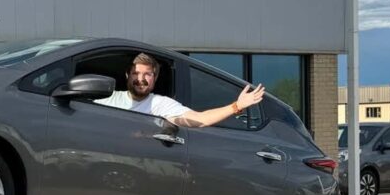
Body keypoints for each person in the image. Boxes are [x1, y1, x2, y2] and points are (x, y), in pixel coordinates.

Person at [96, 53, 266, 128]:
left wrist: (237, 106)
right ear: (127, 75)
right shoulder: (109, 99)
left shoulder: (160, 104)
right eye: (136, 73)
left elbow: (200, 119)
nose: (141, 79)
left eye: (148, 74)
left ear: (154, 78)